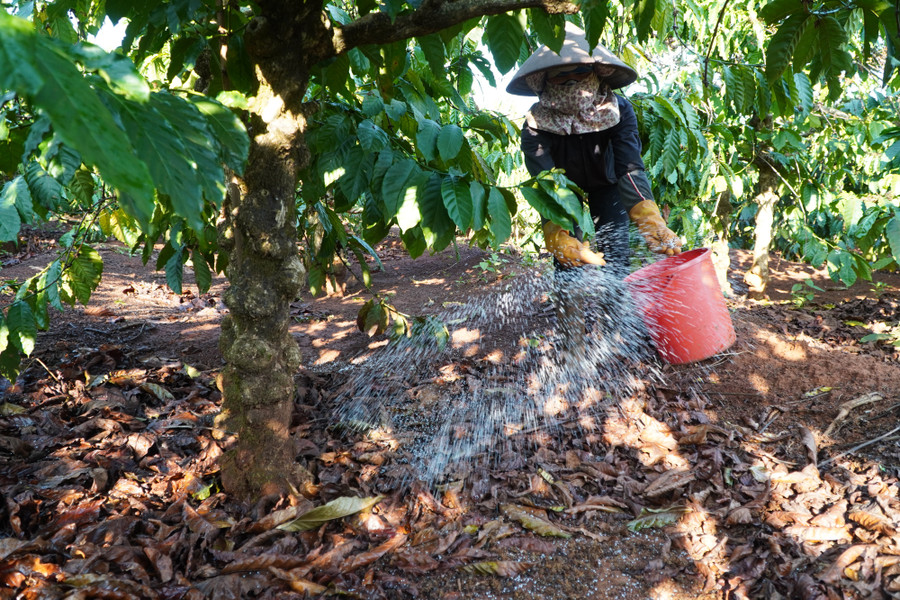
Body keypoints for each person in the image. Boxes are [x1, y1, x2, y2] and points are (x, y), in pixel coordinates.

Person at [507, 25, 682, 275]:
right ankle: (570, 310)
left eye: (580, 71)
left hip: (608, 183)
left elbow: (629, 167)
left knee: (617, 252)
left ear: (596, 72)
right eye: (560, 75)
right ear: (544, 81)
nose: (571, 80)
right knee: (568, 259)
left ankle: (617, 307)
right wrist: (558, 235)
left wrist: (648, 216)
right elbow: (547, 185)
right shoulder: (535, 125)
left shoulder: (617, 110)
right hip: (564, 190)